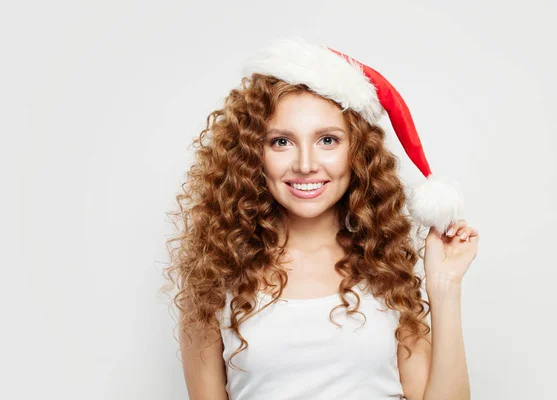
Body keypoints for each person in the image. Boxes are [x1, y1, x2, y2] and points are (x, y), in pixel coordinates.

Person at [163, 38, 479, 400]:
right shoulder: (214, 278)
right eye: (281, 142)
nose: (305, 164)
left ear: (357, 153)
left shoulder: (386, 268)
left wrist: (445, 288)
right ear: (252, 154)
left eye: (327, 140)